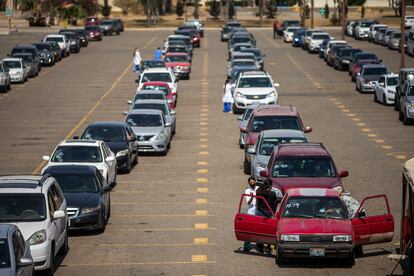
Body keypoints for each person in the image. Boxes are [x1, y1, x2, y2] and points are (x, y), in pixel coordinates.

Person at [255, 179, 278, 254]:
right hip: (268, 215)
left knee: (259, 231)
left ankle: (259, 247)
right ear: (270, 186)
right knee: (268, 232)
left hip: (259, 214)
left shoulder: (258, 192)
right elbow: (274, 205)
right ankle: (268, 248)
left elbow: (257, 204)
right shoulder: (272, 194)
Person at [243, 177, 258, 252]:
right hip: (251, 212)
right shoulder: (247, 191)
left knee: (259, 229)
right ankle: (246, 246)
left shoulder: (258, 188)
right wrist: (252, 197)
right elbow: (248, 202)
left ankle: (260, 247)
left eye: (253, 182)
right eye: (251, 183)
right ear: (249, 183)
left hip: (258, 211)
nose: (252, 184)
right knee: (249, 230)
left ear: (255, 181)